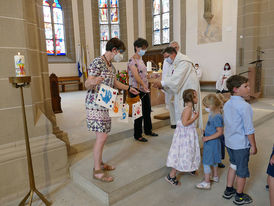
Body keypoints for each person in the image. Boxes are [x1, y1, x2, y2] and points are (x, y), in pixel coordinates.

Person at [85, 38, 139, 182]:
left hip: (106, 102)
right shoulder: (98, 62)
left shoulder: (111, 66)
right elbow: (87, 83)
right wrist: (93, 81)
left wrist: (128, 88)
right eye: (120, 52)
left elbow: (114, 82)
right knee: (102, 136)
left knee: (103, 135)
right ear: (114, 50)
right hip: (95, 103)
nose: (120, 55)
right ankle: (96, 170)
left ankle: (100, 162)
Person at [222, 75, 257, 205]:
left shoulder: (227, 104)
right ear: (236, 89)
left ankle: (228, 190)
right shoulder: (245, 106)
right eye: (246, 86)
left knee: (233, 165)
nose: (249, 88)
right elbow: (249, 130)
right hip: (241, 145)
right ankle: (239, 196)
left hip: (230, 143)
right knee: (241, 172)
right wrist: (253, 146)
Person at [153, 47, 203, 130]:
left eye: (167, 57)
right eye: (164, 57)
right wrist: (162, 86)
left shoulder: (184, 62)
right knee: (181, 111)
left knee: (187, 112)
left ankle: (189, 133)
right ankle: (182, 133)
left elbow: (176, 79)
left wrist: (162, 83)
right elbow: (170, 78)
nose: (166, 59)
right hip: (181, 90)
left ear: (173, 54)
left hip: (188, 91)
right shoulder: (175, 63)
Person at [165, 89, 201, 185]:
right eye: (196, 96)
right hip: (185, 136)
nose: (197, 98)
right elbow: (185, 123)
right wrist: (195, 118)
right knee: (182, 153)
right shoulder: (188, 109)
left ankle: (190, 167)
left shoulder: (191, 108)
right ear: (191, 99)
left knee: (190, 151)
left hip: (189, 134)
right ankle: (171, 175)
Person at [128, 38, 158, 142]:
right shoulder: (132, 60)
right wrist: (143, 85)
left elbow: (144, 74)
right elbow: (136, 76)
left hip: (144, 89)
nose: (144, 50)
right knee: (138, 113)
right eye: (143, 48)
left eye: (145, 48)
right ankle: (138, 134)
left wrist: (152, 76)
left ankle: (148, 130)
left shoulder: (141, 59)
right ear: (136, 47)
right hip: (135, 89)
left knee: (147, 110)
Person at [196, 94, 223, 189]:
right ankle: (215, 176)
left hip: (211, 143)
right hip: (212, 142)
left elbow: (220, 132)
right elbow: (213, 128)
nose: (206, 108)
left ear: (213, 105)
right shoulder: (213, 114)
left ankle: (207, 182)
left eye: (207, 106)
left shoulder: (217, 116)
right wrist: (205, 131)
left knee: (206, 162)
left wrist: (207, 138)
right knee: (214, 159)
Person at [162, 41, 180, 129]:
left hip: (176, 85)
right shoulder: (166, 60)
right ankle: (173, 122)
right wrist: (163, 84)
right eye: (172, 47)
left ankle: (178, 121)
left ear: (178, 48)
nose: (174, 49)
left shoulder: (180, 59)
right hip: (168, 85)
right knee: (170, 103)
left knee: (177, 103)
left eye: (175, 47)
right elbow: (165, 72)